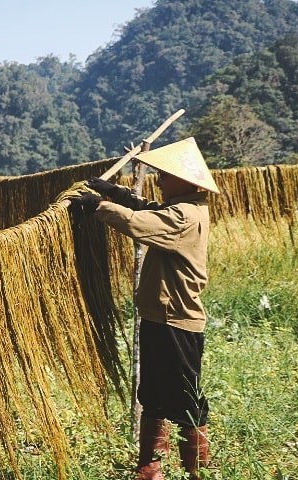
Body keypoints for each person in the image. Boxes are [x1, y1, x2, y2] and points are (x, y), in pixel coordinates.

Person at [70, 137, 219, 480]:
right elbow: (149, 209)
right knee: (152, 394)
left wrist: (97, 206)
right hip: (159, 318)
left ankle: (196, 471)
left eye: (165, 175)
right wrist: (119, 194)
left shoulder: (186, 215)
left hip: (177, 322)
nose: (160, 180)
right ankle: (150, 469)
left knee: (184, 399)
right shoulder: (183, 208)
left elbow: (142, 225)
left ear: (187, 181)